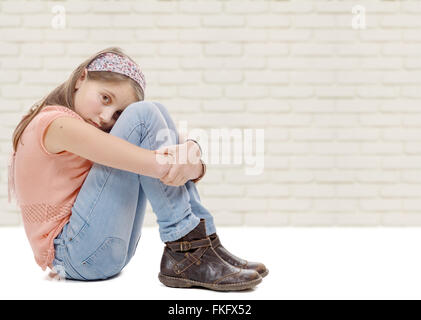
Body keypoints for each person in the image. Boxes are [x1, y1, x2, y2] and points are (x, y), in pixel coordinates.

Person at [7, 47, 268, 291]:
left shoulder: (76, 124)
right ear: (80, 79)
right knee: (144, 116)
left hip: (96, 252)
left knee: (155, 112)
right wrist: (191, 159)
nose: (107, 116)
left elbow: (164, 152)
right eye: (105, 98)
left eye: (118, 114)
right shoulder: (56, 123)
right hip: (75, 253)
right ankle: (186, 249)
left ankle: (202, 243)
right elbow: (153, 163)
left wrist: (189, 151)